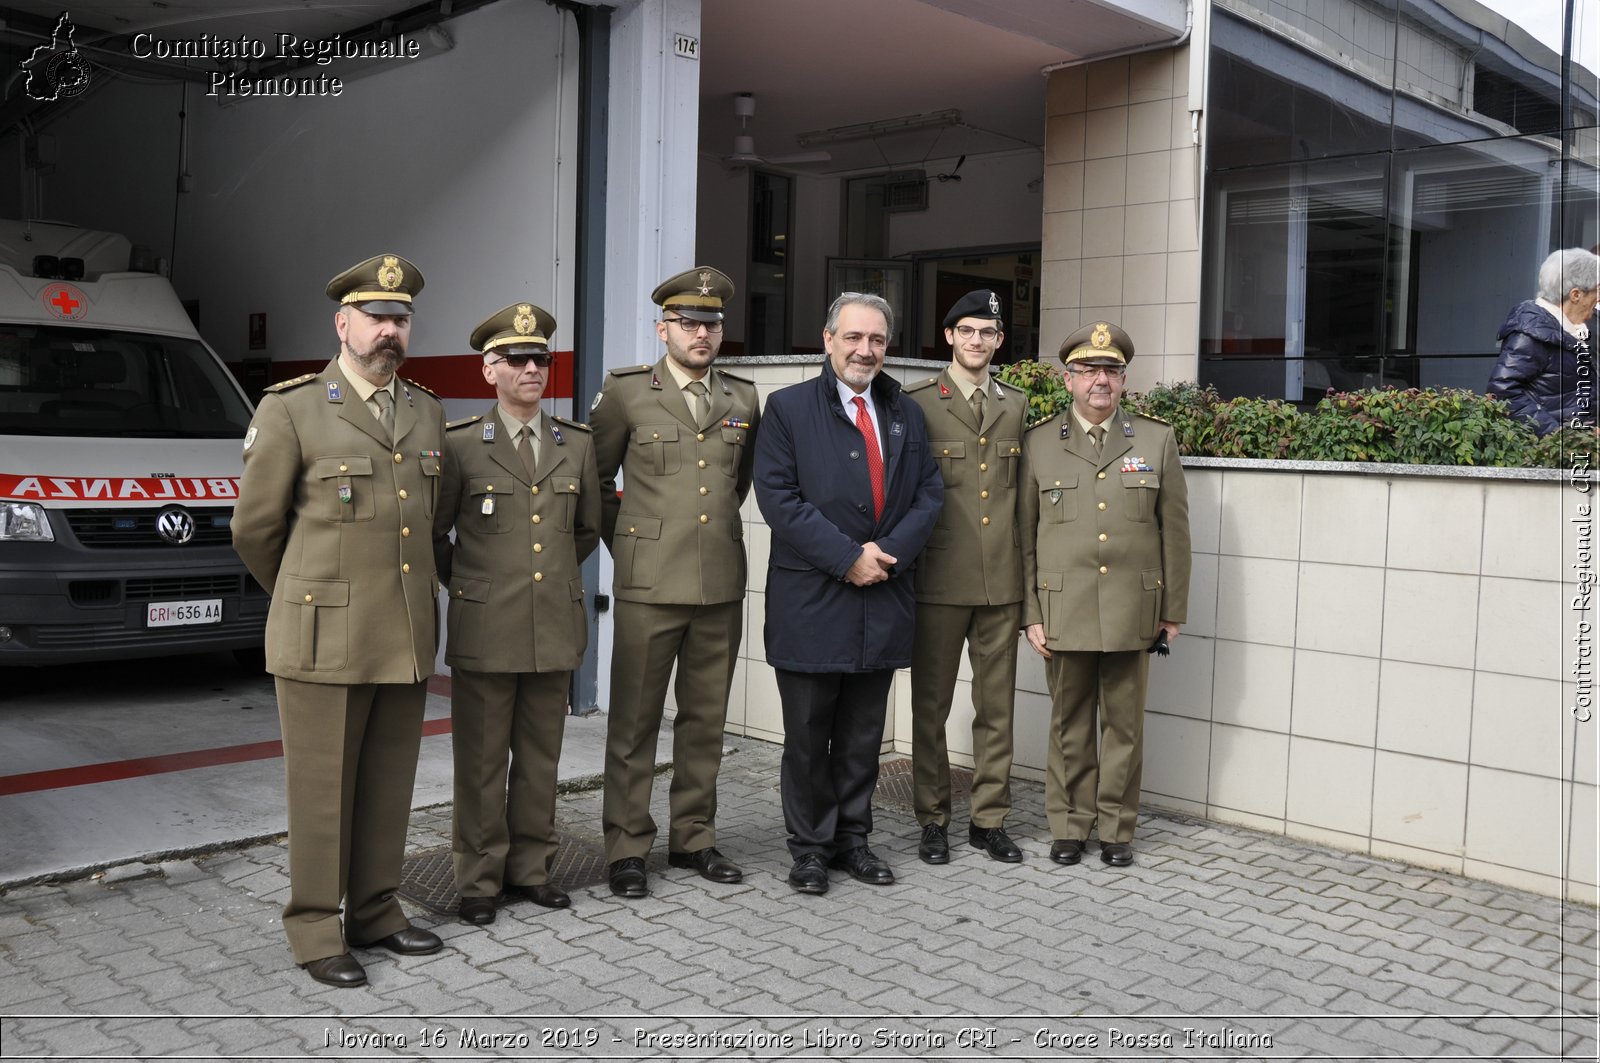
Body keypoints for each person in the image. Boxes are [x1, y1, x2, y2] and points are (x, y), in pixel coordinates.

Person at [232, 254, 447, 987]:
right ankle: (316, 927)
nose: (390, 330)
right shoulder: (291, 407)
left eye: (402, 318)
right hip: (323, 634)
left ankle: (378, 910)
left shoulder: (425, 409)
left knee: (389, 781)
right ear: (343, 323)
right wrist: (305, 594)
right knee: (322, 791)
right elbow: (255, 531)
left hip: (406, 630)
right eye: (377, 316)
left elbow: (427, 524)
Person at [753, 291, 943, 895]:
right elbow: (778, 498)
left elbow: (930, 494)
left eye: (878, 341)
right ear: (828, 338)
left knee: (863, 736)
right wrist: (847, 558)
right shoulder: (785, 409)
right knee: (808, 738)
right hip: (813, 600)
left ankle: (852, 841)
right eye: (854, 338)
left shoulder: (905, 413)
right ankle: (809, 849)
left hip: (882, 595)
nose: (866, 350)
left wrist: (885, 557)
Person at [588, 266, 761, 898]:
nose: (702, 333)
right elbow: (595, 482)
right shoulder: (629, 392)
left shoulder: (743, 398)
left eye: (712, 324)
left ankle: (694, 837)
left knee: (705, 720)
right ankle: (627, 847)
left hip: (718, 583)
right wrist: (633, 543)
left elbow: (734, 486)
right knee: (633, 722)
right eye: (689, 322)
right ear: (663, 327)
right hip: (647, 587)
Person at [433, 302, 600, 926]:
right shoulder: (460, 447)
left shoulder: (574, 444)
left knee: (540, 759)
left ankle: (531, 870)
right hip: (486, 626)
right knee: (479, 762)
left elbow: (584, 533)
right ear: (489, 371)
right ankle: (478, 879)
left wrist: (542, 583)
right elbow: (434, 534)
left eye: (541, 359)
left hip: (553, 625)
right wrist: (476, 586)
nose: (533, 368)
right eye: (518, 359)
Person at [1019, 321, 1189, 869]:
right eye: (1088, 371)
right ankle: (1069, 826)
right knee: (1069, 726)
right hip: (1062, 608)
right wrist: (1030, 613)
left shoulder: (1155, 439)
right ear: (1068, 379)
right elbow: (1023, 537)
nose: (1100, 380)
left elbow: (1175, 532)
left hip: (1131, 611)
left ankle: (1116, 829)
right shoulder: (1040, 442)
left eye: (1111, 371)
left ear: (1124, 381)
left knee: (1124, 726)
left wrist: (1172, 611)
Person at [904, 290, 1028, 865]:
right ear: (949, 336)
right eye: (968, 330)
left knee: (996, 707)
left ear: (1000, 341)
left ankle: (990, 819)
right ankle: (932, 819)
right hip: (936, 582)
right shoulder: (917, 402)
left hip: (1000, 582)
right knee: (930, 707)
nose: (978, 341)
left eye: (989, 332)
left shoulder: (1018, 405)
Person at [1487, 248, 1600, 436]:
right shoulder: (1531, 333)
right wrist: (1559, 434)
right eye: (1596, 290)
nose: (1598, 298)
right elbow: (1502, 392)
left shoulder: (1573, 330)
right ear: (1576, 295)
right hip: (1552, 454)